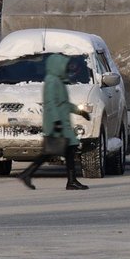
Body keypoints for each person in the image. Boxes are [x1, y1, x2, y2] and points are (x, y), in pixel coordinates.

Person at [17, 53, 92, 190]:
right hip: (57, 124)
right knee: (56, 151)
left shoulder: (58, 81)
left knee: (55, 151)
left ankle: (28, 174)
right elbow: (51, 104)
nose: (67, 68)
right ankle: (70, 181)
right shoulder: (52, 81)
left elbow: (64, 103)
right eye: (64, 65)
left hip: (62, 123)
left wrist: (80, 111)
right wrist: (57, 122)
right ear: (57, 66)